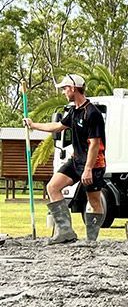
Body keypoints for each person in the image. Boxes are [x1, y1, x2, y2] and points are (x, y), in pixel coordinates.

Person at [23, 73, 107, 244]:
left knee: (94, 200)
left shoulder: (92, 113)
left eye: (65, 88)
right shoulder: (73, 111)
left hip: (94, 164)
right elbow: (58, 126)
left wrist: (88, 169)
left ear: (73, 88)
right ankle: (66, 232)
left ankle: (91, 240)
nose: (63, 92)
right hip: (76, 161)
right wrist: (33, 125)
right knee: (52, 187)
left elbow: (94, 144)